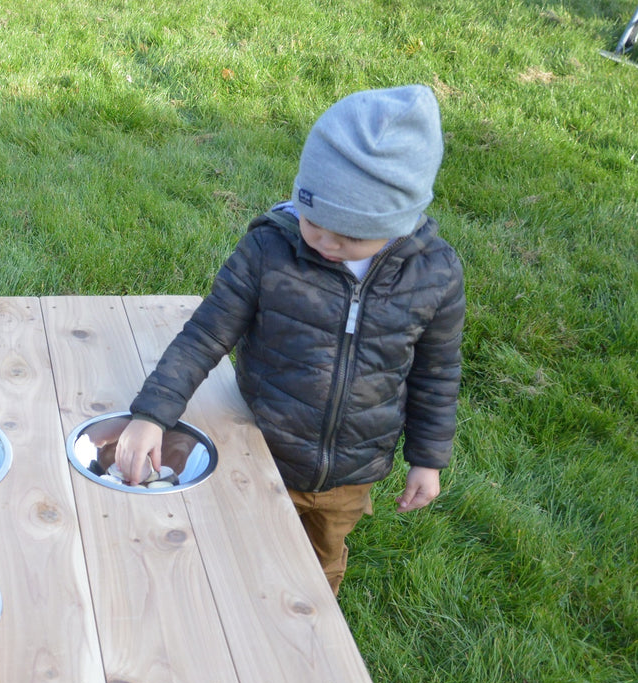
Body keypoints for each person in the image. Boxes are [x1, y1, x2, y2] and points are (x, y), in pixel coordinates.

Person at [114, 84, 465, 595]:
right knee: (237, 552)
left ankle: (311, 628)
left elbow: (438, 373)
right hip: (261, 451)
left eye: (347, 236)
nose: (323, 241)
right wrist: (150, 416)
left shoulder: (433, 276)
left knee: (316, 572)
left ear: (398, 224)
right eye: (313, 221)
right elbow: (204, 335)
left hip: (351, 471)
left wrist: (428, 459)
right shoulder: (269, 249)